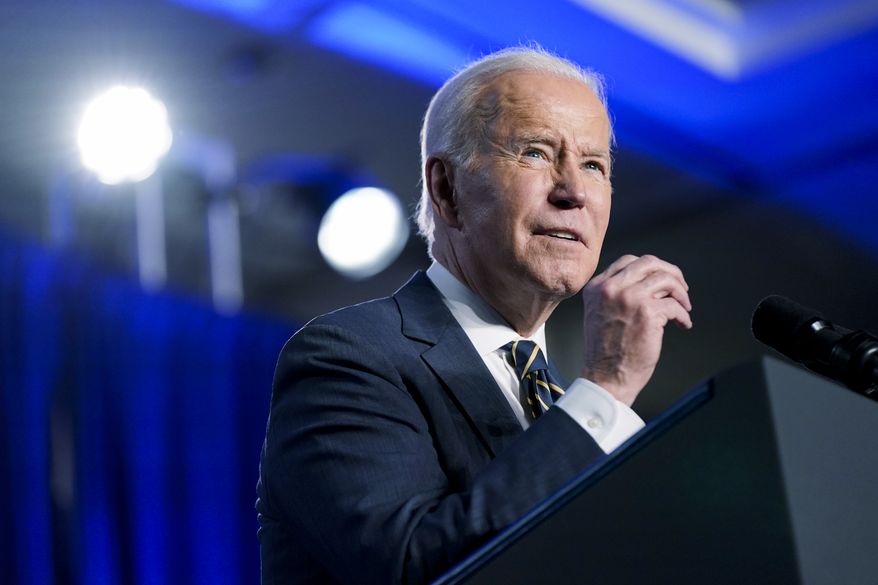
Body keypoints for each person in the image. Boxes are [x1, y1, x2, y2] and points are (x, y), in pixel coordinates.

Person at [256, 46, 692, 585]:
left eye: (593, 165)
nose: (574, 192)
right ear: (447, 189)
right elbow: (413, 568)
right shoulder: (348, 358)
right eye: (536, 152)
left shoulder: (567, 409)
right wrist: (608, 385)